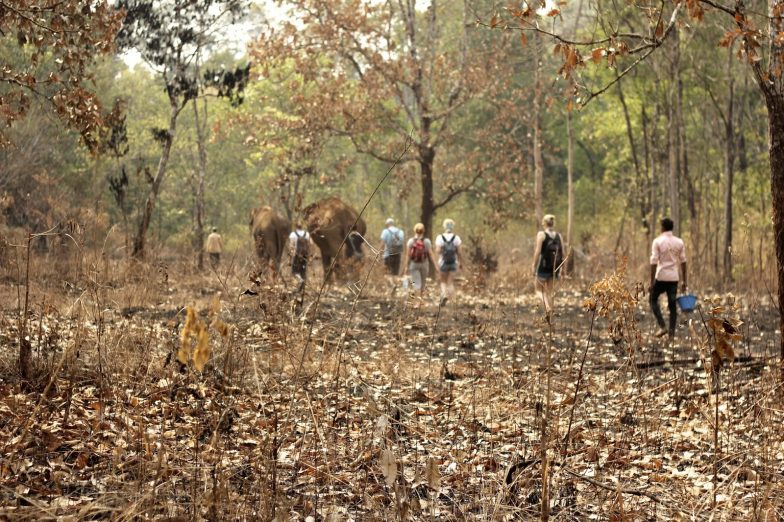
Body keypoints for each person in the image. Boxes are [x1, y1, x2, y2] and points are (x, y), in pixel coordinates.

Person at [649, 217, 687, 339]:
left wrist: (651, 282)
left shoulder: (657, 241)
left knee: (653, 300)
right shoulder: (679, 242)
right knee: (672, 306)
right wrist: (684, 281)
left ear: (662, 228)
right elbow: (683, 261)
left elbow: (654, 262)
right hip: (673, 279)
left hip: (661, 277)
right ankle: (671, 335)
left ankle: (662, 326)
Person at [531, 214, 565, 314]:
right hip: (555, 267)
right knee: (549, 292)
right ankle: (550, 313)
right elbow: (563, 253)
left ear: (544, 223)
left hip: (543, 267)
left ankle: (548, 308)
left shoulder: (541, 235)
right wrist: (562, 268)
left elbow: (537, 252)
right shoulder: (559, 236)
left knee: (538, 290)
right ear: (553, 223)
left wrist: (533, 264)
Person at [401, 222, 439, 299]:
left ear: (415, 230)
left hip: (414, 264)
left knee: (416, 282)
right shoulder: (427, 241)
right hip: (424, 264)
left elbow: (408, 255)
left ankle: (417, 302)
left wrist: (406, 267)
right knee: (423, 283)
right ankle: (421, 302)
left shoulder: (411, 241)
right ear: (423, 231)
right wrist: (436, 266)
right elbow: (431, 254)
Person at [435, 218, 462, 307]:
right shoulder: (456, 238)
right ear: (452, 226)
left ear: (444, 226)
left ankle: (444, 295)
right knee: (450, 282)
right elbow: (459, 252)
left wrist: (443, 250)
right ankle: (454, 302)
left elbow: (438, 250)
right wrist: (461, 262)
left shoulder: (440, 237)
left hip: (443, 262)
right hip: (454, 262)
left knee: (443, 281)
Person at [289, 222, 311, 293]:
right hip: (305, 255)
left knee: (294, 271)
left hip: (296, 255)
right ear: (302, 226)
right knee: (303, 271)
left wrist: (290, 256)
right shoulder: (307, 234)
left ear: (296, 226)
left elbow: (291, 246)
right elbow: (310, 244)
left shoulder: (293, 234)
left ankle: (300, 281)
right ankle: (302, 288)